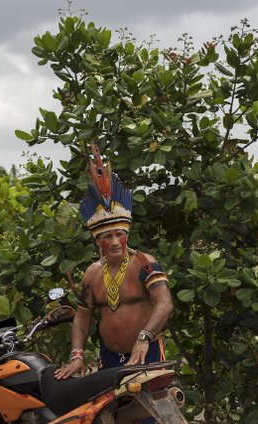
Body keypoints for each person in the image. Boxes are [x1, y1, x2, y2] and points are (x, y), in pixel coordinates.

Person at [55, 145, 174, 381]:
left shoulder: (144, 263)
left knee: (147, 405)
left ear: (127, 235)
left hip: (146, 353)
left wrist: (144, 338)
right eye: (107, 237)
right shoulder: (92, 274)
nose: (115, 242)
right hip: (109, 357)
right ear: (97, 241)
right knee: (105, 406)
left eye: (119, 234)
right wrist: (77, 356)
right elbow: (83, 317)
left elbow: (165, 303)